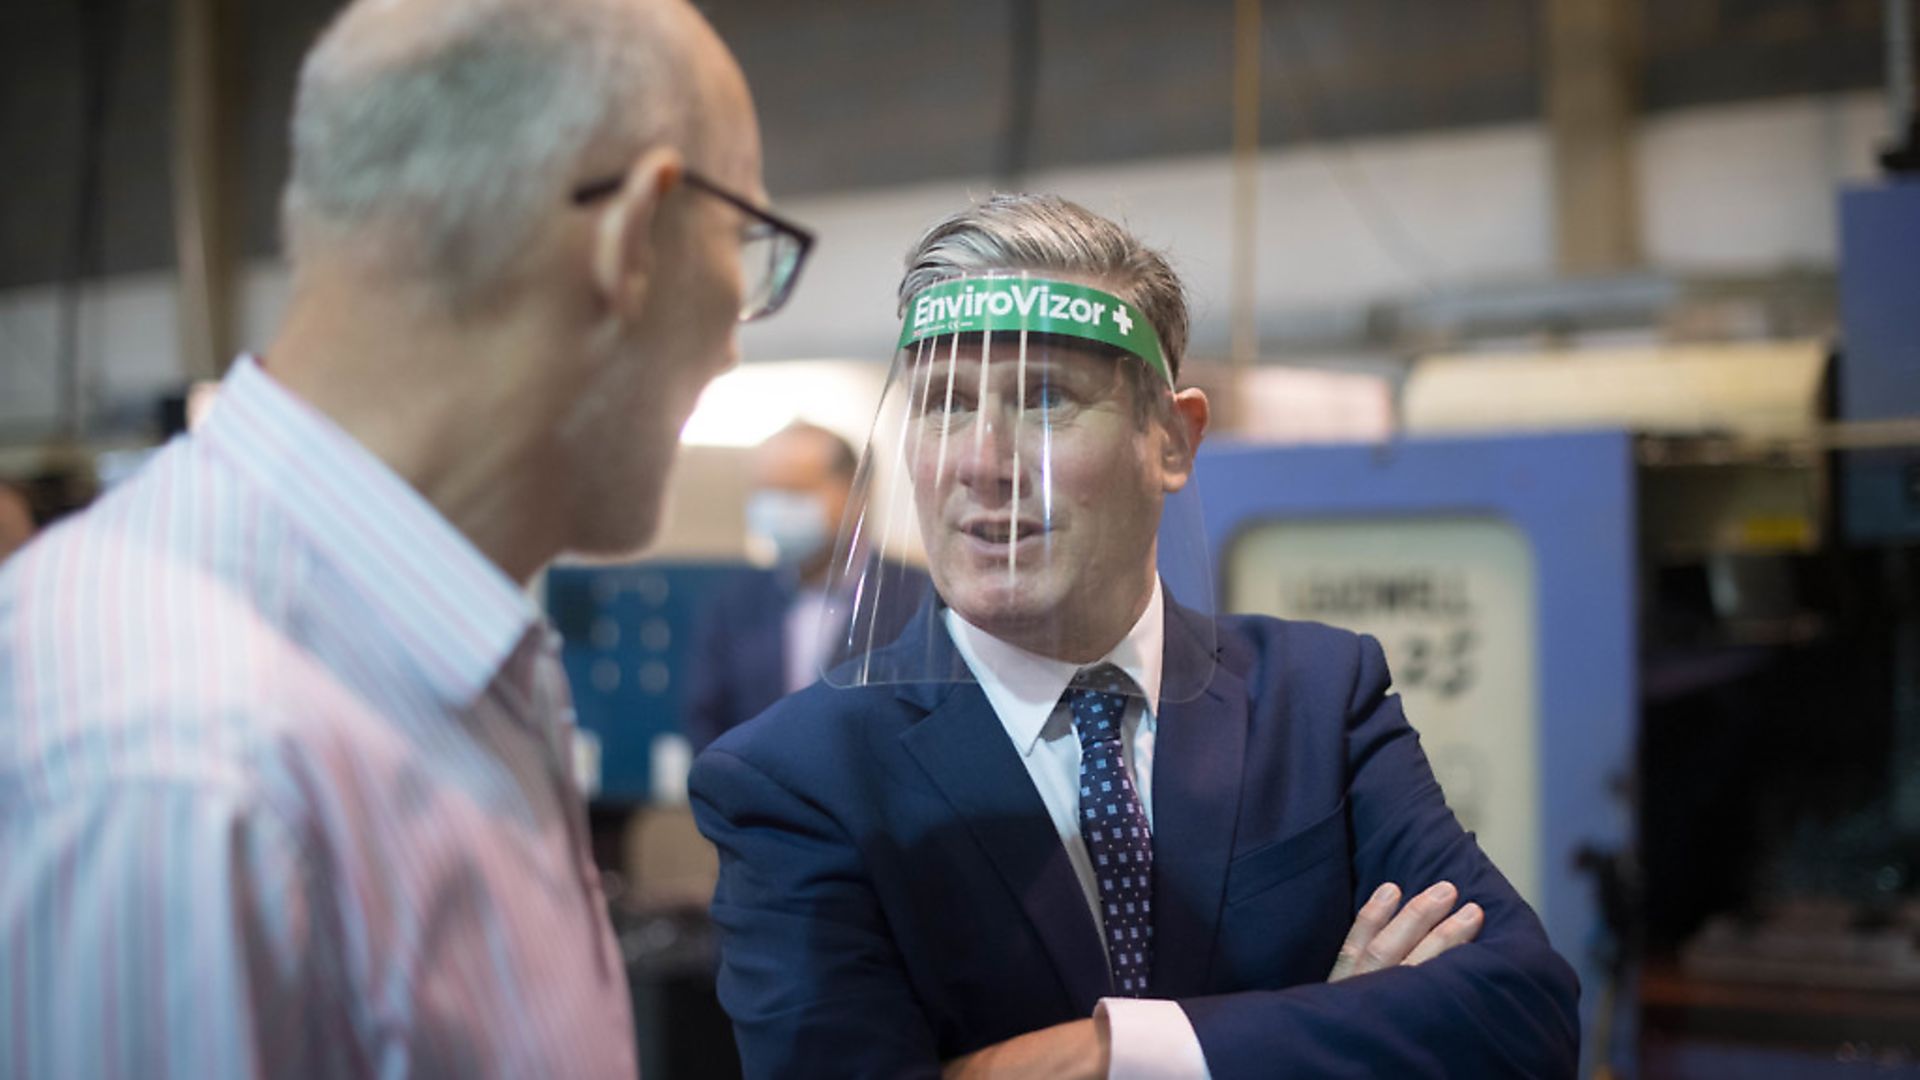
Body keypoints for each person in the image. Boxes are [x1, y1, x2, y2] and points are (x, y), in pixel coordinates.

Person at [0, 0, 811, 1074]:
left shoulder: (451, 670)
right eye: (745, 248)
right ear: (631, 241)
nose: (729, 354)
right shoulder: (188, 771)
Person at [689, 194, 1579, 1078]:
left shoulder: (1317, 701)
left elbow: (1522, 1014)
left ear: (1172, 440)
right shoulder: (801, 781)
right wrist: (1336, 1020)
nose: (982, 462)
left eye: (1043, 399)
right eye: (946, 404)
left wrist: (1111, 1055)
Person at [684, 421, 927, 751]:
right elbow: (706, 720)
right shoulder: (735, 601)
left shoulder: (919, 600)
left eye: (795, 491)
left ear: (857, 493)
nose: (775, 509)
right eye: (766, 492)